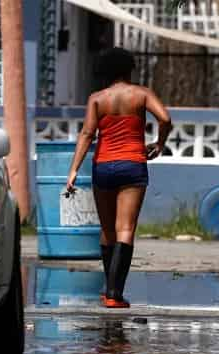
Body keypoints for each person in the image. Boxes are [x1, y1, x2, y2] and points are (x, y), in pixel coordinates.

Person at [65, 47, 172, 308]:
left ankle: (108, 290)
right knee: (126, 229)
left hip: (103, 166)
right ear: (128, 68)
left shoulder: (97, 99)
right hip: (133, 164)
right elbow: (165, 118)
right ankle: (115, 294)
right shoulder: (142, 94)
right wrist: (159, 143)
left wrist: (73, 171)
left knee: (107, 229)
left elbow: (87, 134)